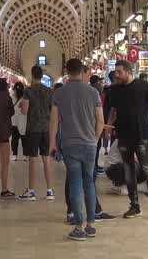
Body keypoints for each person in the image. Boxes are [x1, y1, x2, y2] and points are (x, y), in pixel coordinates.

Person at [106, 59, 148, 221]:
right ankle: (134, 206)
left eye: (119, 72)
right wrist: (108, 127)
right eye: (116, 72)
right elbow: (113, 111)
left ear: (129, 71)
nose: (117, 75)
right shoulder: (115, 90)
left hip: (141, 136)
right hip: (123, 136)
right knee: (129, 171)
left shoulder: (143, 86)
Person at [50, 58, 106, 241]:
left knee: (75, 183)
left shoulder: (59, 94)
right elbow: (100, 121)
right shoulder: (93, 93)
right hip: (90, 144)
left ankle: (79, 227)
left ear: (66, 71)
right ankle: (91, 225)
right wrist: (95, 139)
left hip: (69, 144)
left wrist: (52, 143)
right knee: (89, 182)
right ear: (82, 71)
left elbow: (54, 122)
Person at [18, 65, 54, 201]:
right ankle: (50, 191)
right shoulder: (49, 91)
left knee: (33, 159)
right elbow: (52, 109)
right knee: (46, 159)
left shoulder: (28, 91)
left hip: (33, 129)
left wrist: (23, 105)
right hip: (46, 128)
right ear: (41, 75)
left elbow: (24, 111)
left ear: (32, 75)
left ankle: (31, 191)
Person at [10, 82, 26, 162]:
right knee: (16, 138)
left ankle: (23, 154)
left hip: (21, 120)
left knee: (22, 138)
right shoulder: (12, 97)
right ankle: (15, 154)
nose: (17, 91)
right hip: (15, 121)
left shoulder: (24, 97)